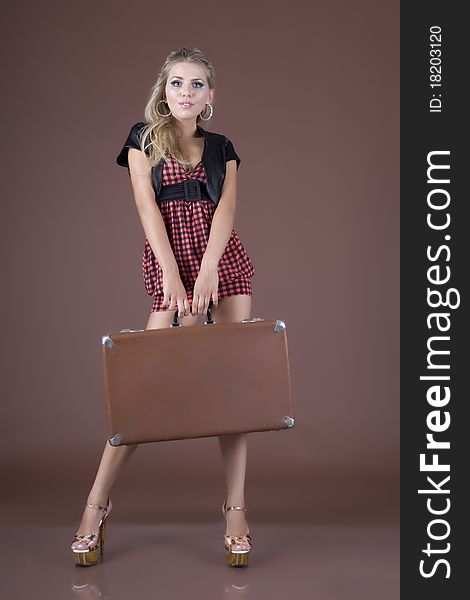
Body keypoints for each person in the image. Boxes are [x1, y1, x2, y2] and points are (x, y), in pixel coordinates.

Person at [70, 47, 254, 568]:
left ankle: (236, 509)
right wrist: (174, 276)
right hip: (172, 269)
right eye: (177, 83)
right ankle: (95, 506)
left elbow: (226, 214)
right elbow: (147, 211)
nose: (186, 93)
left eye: (197, 85)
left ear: (210, 96)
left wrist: (211, 271)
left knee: (235, 391)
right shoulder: (143, 140)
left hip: (224, 268)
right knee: (140, 396)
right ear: (163, 89)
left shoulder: (223, 148)